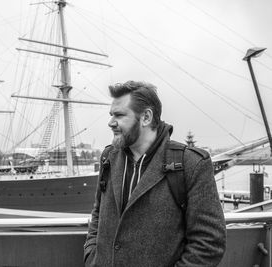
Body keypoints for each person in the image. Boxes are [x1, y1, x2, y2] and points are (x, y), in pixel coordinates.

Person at [84, 81, 226, 266]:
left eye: (119, 115)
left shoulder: (191, 163)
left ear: (146, 117)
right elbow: (98, 213)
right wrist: (93, 257)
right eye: (111, 115)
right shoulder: (108, 158)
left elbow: (209, 243)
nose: (111, 122)